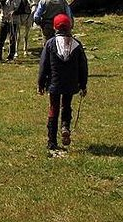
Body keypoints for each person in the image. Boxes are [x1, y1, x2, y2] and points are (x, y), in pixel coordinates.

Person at [37, 13, 88, 150]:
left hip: (54, 82)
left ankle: (52, 141)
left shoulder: (50, 43)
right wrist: (83, 85)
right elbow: (83, 66)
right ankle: (65, 126)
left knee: (54, 108)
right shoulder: (77, 44)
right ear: (70, 27)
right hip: (71, 83)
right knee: (67, 105)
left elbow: (43, 66)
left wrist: (41, 84)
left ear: (55, 27)